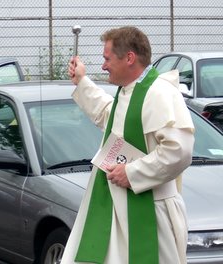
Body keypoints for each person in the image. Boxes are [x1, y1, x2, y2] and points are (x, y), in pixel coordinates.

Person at [61, 26, 194, 264]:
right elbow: (109, 115)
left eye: (107, 59)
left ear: (130, 58)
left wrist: (132, 173)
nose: (103, 66)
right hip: (116, 208)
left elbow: (179, 151)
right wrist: (81, 81)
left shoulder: (159, 92)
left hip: (151, 212)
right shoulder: (130, 91)